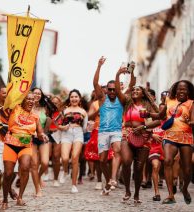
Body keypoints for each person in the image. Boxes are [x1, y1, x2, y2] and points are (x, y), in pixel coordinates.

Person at [114, 66, 160, 203]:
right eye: (133, 90)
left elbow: (158, 120)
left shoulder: (148, 105)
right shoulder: (126, 102)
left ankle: (137, 194)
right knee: (127, 162)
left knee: (139, 168)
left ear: (143, 93)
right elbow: (118, 91)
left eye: (137, 90)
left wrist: (144, 127)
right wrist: (117, 75)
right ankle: (127, 190)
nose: (134, 91)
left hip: (144, 136)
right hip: (127, 134)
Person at [0, 92, 49, 210]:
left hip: (26, 145)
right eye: (28, 99)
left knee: (26, 167)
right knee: (8, 173)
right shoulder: (15, 108)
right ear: (22, 100)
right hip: (10, 144)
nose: (31, 101)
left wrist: (42, 135)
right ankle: (5, 199)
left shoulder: (35, 116)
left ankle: (20, 197)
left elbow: (40, 131)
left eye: (33, 99)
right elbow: (10, 97)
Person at [151, 80, 194, 204]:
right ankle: (171, 195)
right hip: (169, 136)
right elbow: (161, 115)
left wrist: (189, 121)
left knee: (186, 169)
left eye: (184, 89)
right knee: (167, 160)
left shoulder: (192, 103)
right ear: (176, 90)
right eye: (179, 89)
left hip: (186, 138)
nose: (181, 91)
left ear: (188, 91)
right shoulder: (169, 100)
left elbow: (193, 121)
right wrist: (148, 115)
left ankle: (184, 188)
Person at [93, 56, 124, 195]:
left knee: (117, 150)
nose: (112, 91)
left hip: (117, 131)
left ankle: (113, 178)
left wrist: (120, 74)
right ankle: (107, 181)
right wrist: (99, 66)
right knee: (102, 160)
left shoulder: (122, 99)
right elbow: (95, 83)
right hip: (103, 132)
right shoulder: (102, 98)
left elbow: (131, 85)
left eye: (114, 89)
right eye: (109, 89)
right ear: (106, 90)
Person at [58, 89, 87, 193]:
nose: (74, 98)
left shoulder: (83, 111)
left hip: (78, 133)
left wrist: (89, 127)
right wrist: (63, 127)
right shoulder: (64, 110)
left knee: (75, 158)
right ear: (69, 99)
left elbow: (84, 128)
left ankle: (74, 185)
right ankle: (65, 171)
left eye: (76, 97)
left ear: (79, 99)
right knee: (65, 158)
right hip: (66, 134)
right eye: (72, 97)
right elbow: (58, 124)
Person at [47, 95, 63, 187]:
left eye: (56, 103)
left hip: (58, 134)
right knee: (48, 155)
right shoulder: (47, 112)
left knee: (56, 157)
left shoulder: (62, 113)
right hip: (48, 134)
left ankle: (56, 179)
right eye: (53, 103)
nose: (54, 104)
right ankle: (45, 173)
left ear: (59, 103)